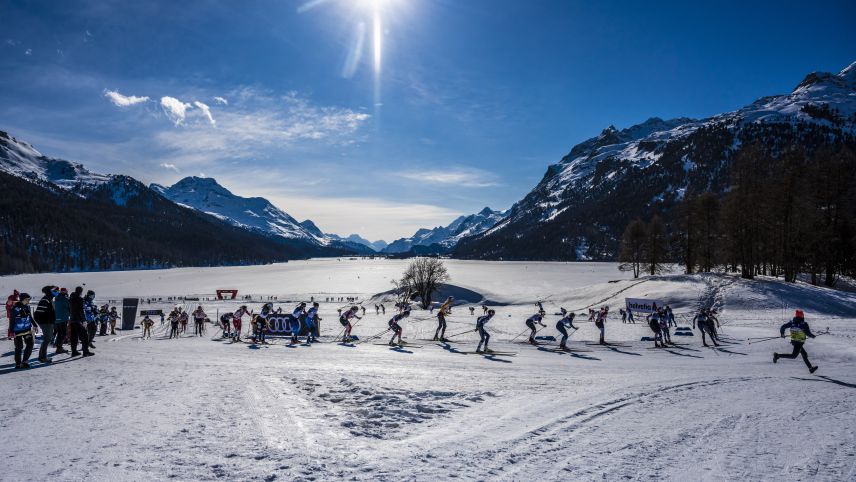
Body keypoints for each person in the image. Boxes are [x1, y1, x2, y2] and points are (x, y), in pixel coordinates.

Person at [9, 293, 37, 369]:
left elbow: (30, 317)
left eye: (29, 300)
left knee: (30, 344)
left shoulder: (27, 306)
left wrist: (35, 325)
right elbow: (11, 320)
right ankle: (18, 364)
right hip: (17, 331)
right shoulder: (15, 309)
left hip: (27, 330)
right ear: (22, 299)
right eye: (27, 300)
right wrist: (11, 331)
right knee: (19, 347)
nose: (29, 301)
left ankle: (24, 361)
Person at [34, 286, 58, 364]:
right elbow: (38, 313)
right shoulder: (45, 300)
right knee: (47, 339)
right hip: (46, 323)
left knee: (47, 339)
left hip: (48, 323)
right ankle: (43, 357)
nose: (57, 292)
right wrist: (43, 323)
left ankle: (42, 356)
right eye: (56, 290)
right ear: (51, 291)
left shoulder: (49, 299)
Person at [68, 287, 93, 357]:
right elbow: (81, 311)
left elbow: (70, 310)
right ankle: (86, 352)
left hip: (72, 319)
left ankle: (74, 351)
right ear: (80, 292)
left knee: (74, 336)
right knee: (85, 336)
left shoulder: (71, 299)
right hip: (78, 320)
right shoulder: (80, 299)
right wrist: (84, 320)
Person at [53, 287, 70, 354]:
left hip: (56, 318)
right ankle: (59, 348)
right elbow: (69, 308)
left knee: (59, 333)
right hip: (63, 318)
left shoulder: (56, 298)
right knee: (62, 333)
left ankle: (58, 346)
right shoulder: (65, 299)